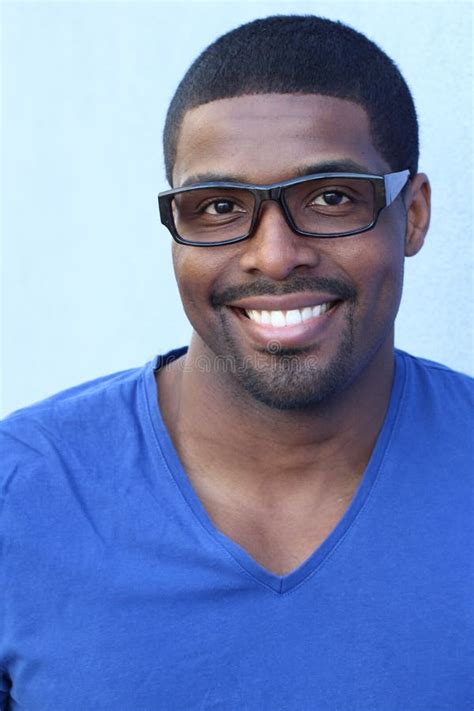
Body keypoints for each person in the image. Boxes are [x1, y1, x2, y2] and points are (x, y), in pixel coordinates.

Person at [1, 14, 472, 711]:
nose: (275, 255)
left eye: (332, 196)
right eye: (218, 206)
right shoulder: (21, 493)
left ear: (415, 214)